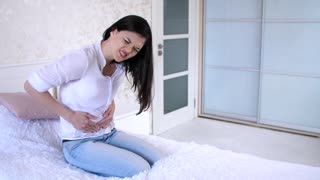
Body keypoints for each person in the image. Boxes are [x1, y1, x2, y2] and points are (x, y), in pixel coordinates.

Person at [24, 15, 164, 178]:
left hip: (109, 133)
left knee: (158, 159)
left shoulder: (120, 65)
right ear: (114, 32)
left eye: (136, 49)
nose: (129, 51)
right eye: (126, 41)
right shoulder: (81, 59)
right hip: (78, 143)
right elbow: (31, 85)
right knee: (141, 168)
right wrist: (70, 116)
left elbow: (97, 89)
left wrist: (111, 103)